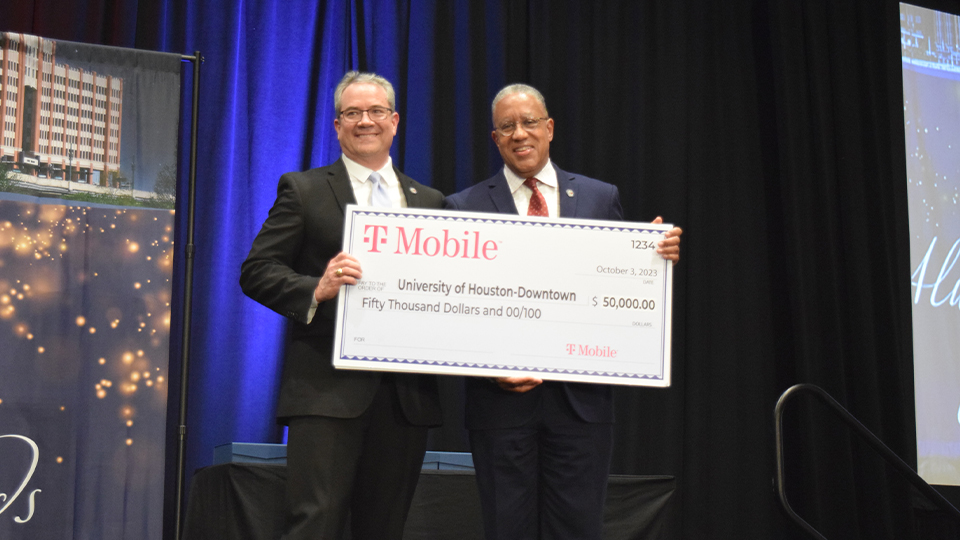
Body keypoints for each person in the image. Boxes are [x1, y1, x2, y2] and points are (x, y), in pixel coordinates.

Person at [444, 83, 682, 540]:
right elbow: (456, 309)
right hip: (500, 406)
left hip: (581, 405)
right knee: (506, 529)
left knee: (577, 529)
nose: (520, 134)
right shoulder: (464, 206)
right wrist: (489, 367)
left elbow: (618, 284)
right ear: (495, 139)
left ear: (549, 128)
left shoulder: (598, 197)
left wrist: (653, 254)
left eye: (529, 122)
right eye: (507, 126)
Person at [239, 71, 443, 540]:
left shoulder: (431, 202)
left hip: (405, 397)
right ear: (337, 126)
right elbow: (257, 270)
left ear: (395, 122)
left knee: (384, 528)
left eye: (375, 112)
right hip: (326, 392)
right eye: (352, 113)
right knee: (315, 522)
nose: (364, 121)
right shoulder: (304, 189)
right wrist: (317, 288)